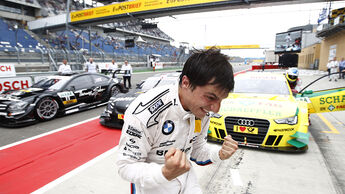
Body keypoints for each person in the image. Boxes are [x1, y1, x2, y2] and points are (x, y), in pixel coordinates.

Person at [116, 48, 238, 194]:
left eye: (220, 100)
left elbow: (197, 150)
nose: (216, 109)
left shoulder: (202, 110)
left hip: (188, 183)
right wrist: (164, 172)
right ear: (186, 82)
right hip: (152, 188)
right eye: (211, 97)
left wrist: (219, 153)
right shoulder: (144, 112)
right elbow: (126, 166)